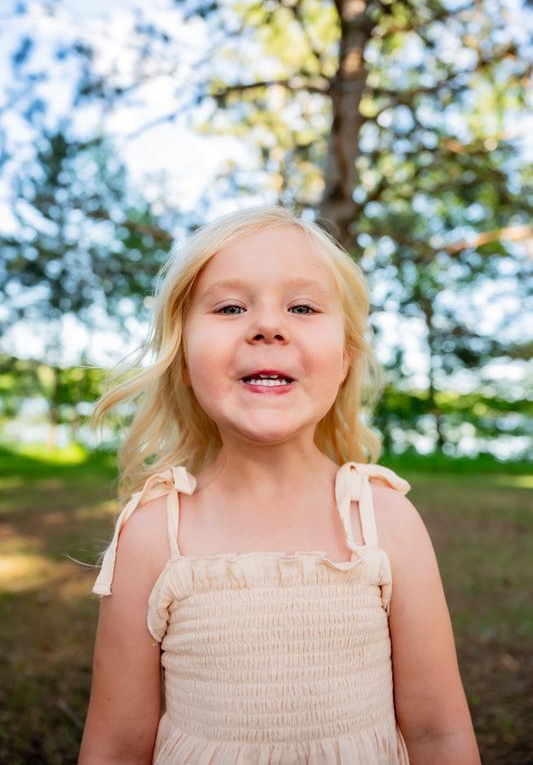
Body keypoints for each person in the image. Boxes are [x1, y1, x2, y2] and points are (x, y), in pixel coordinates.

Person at [78, 205, 481, 765]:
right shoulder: (153, 532)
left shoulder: (382, 519)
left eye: (302, 306)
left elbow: (439, 733)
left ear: (344, 357)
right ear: (185, 359)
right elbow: (116, 748)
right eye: (230, 307)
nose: (268, 326)